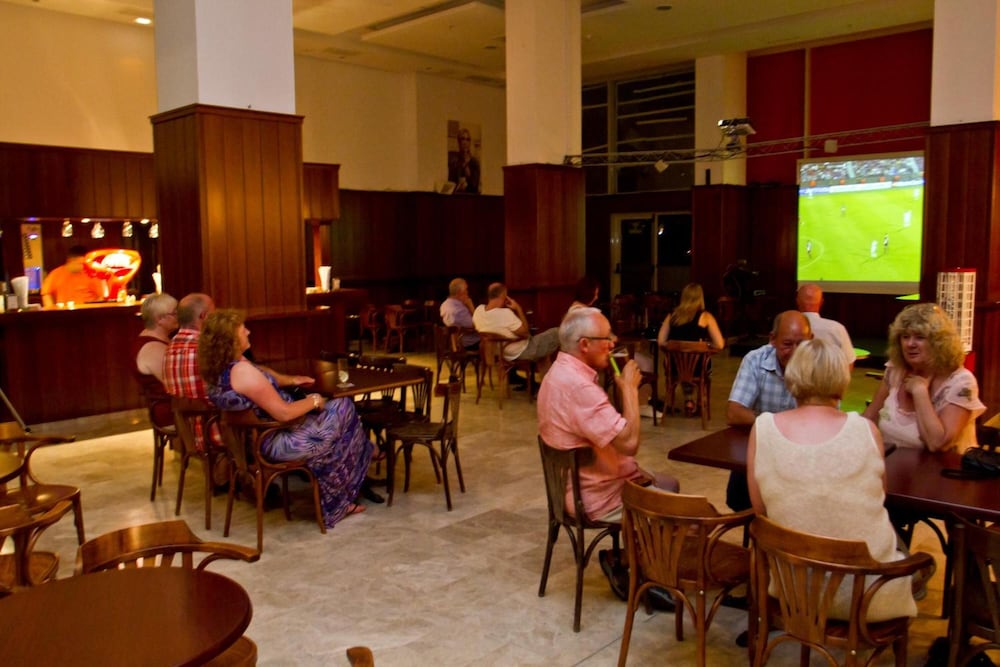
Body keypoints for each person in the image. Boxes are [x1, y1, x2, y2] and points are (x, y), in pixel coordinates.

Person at [747, 338, 918, 622]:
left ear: (792, 374)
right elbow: (879, 498)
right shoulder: (866, 431)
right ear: (842, 377)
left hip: (794, 590)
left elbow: (760, 510)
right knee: (912, 556)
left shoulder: (762, 428)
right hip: (869, 595)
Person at [537, 306, 679, 604]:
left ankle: (627, 560)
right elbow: (629, 443)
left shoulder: (557, 373)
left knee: (667, 483)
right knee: (674, 504)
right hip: (594, 498)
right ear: (584, 345)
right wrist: (629, 391)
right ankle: (647, 577)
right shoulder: (579, 388)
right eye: (606, 338)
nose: (613, 343)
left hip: (569, 488)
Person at [198, 309, 374, 525]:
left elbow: (262, 376)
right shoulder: (242, 372)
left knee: (337, 419)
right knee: (343, 406)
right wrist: (314, 400)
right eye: (242, 329)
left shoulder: (220, 370)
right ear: (230, 339)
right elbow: (284, 413)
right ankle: (351, 476)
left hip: (250, 442)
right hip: (276, 442)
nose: (248, 331)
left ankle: (349, 472)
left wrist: (291, 381)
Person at [863, 303, 985, 452]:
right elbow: (869, 417)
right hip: (892, 463)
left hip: (943, 466)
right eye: (905, 337)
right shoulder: (895, 369)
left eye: (920, 337)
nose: (910, 344)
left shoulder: (961, 382)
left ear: (939, 343)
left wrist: (920, 392)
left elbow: (937, 444)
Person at [725, 310, 812, 511]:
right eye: (787, 344)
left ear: (811, 340)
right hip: (762, 452)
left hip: (802, 457)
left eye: (802, 344)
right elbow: (734, 413)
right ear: (772, 339)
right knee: (740, 498)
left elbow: (828, 421)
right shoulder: (756, 360)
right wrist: (779, 425)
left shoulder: (819, 364)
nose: (795, 352)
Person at [656, 282, 725, 416]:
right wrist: (705, 346)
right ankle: (700, 402)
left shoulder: (672, 316)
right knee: (702, 364)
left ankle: (686, 400)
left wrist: (676, 347)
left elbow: (661, 341)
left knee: (682, 364)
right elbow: (720, 344)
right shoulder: (706, 317)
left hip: (674, 367)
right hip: (698, 368)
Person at [473, 282, 560, 368]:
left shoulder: (478, 310)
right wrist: (518, 309)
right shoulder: (505, 314)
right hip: (522, 351)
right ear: (503, 295)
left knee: (544, 355)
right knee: (558, 332)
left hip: (500, 353)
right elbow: (526, 333)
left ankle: (547, 376)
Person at [133, 292, 177, 429]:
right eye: (175, 313)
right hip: (171, 412)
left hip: (177, 406)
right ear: (159, 319)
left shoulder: (161, 340)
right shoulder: (152, 347)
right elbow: (175, 385)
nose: (179, 317)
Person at [795, 283, 856, 369]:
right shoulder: (837, 328)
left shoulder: (785, 327)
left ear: (797, 301)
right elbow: (848, 363)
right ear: (821, 302)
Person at [41, 245, 107, 307]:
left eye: (85, 264)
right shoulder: (55, 274)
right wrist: (51, 310)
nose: (83, 266)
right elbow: (46, 294)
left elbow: (101, 297)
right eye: (80, 263)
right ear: (70, 260)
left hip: (87, 311)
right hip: (63, 312)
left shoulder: (91, 274)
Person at [439, 277, 479, 350]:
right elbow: (478, 325)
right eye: (466, 290)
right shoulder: (459, 310)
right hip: (468, 343)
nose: (467, 292)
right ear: (460, 292)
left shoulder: (444, 305)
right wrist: (471, 307)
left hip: (453, 342)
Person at [448, 127, 480, 194]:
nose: (465, 142)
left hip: (471, 197)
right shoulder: (454, 161)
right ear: (459, 141)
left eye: (468, 139)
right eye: (463, 139)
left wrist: (466, 169)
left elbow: (475, 186)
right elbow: (450, 184)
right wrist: (458, 187)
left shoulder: (474, 162)